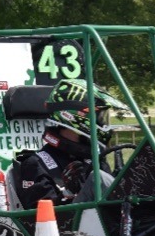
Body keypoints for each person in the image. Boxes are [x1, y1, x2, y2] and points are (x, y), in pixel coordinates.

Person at [14, 78, 127, 210]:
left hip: (106, 224)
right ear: (75, 116)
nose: (102, 123)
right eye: (99, 117)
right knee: (98, 179)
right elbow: (40, 220)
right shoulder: (36, 164)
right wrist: (67, 193)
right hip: (70, 227)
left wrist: (122, 181)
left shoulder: (94, 158)